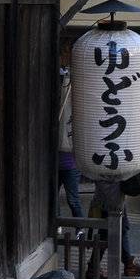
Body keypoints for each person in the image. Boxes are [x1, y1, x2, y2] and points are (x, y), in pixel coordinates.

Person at [56, 74, 82, 217]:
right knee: (53, 200)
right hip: (57, 163)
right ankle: (56, 228)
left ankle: (80, 230)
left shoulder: (76, 102)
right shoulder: (63, 96)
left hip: (71, 164)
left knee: (73, 199)